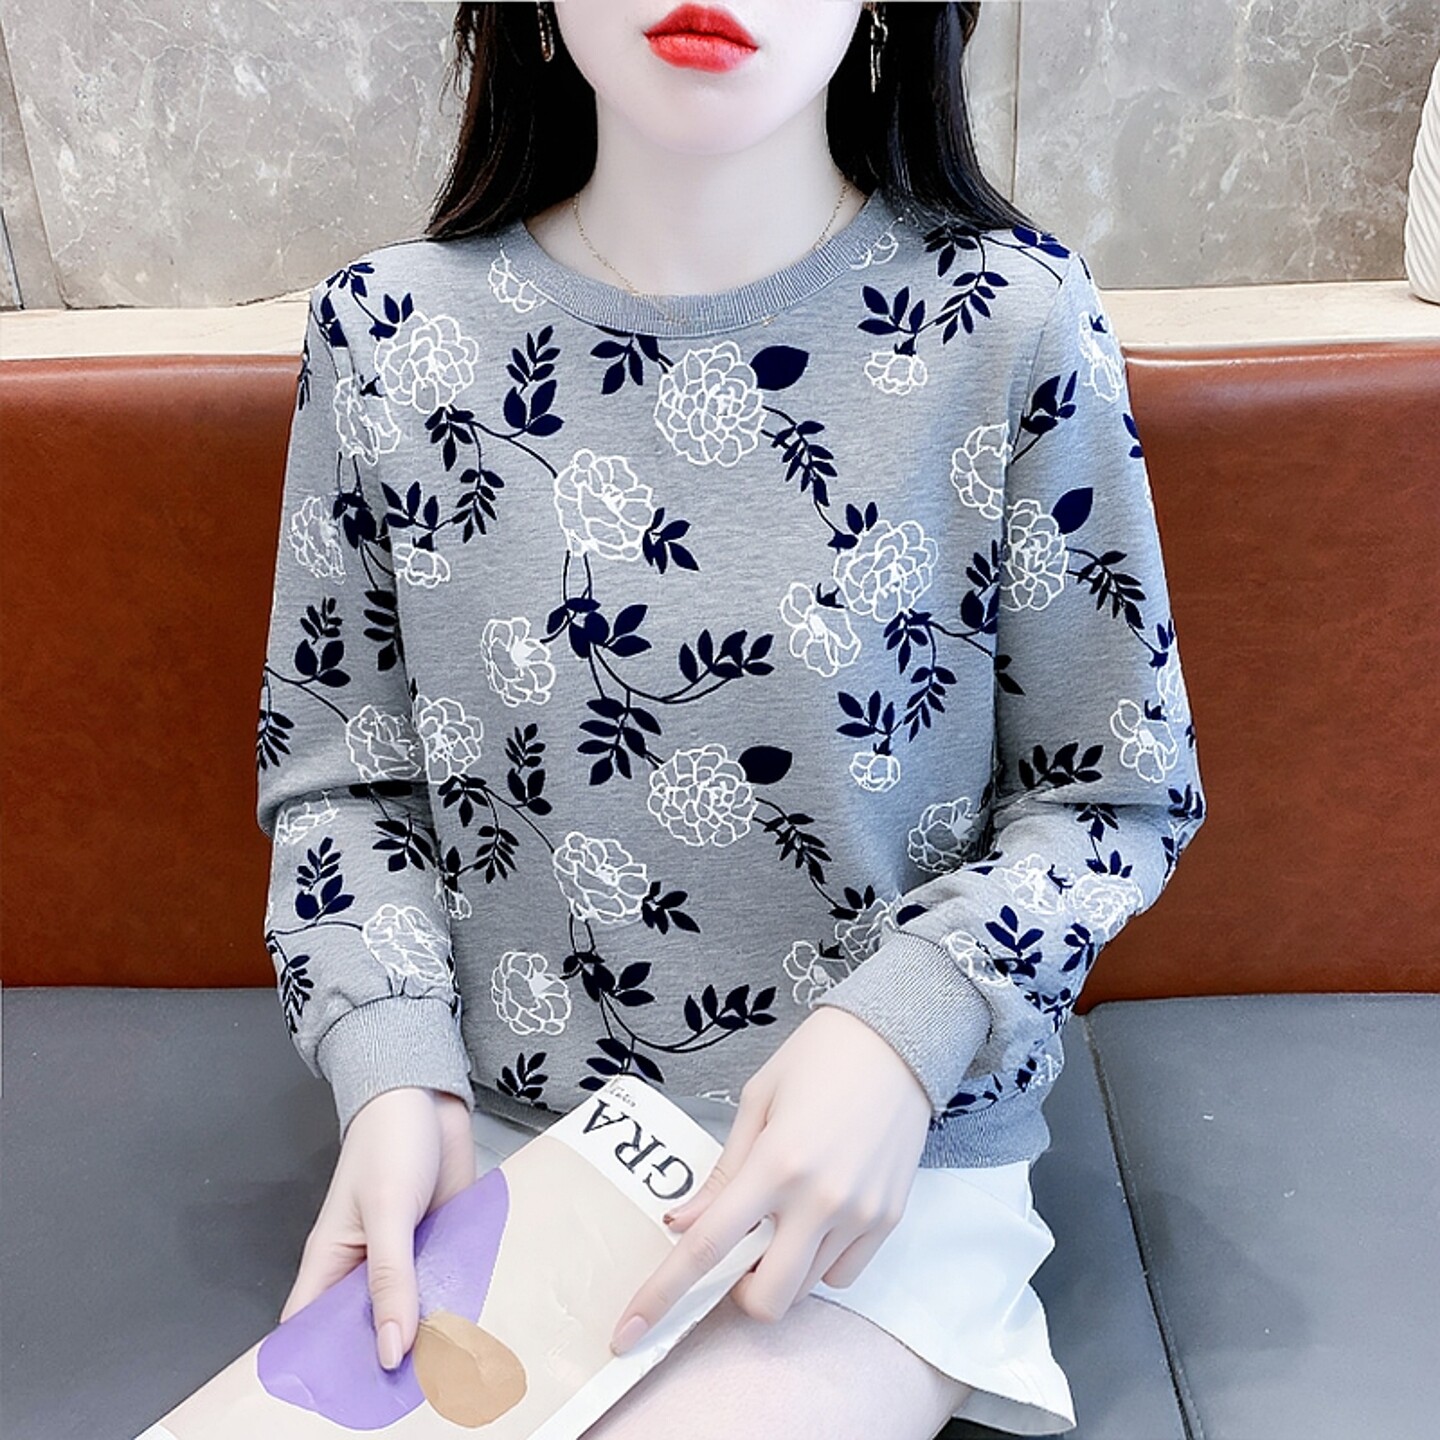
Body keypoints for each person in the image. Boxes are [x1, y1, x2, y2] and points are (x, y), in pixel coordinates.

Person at [255, 4, 1206, 1436]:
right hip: (499, 1150)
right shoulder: (386, 334)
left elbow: (1112, 794)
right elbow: (343, 781)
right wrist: (391, 1078)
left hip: (890, 1154)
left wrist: (900, 1031)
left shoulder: (1010, 319)